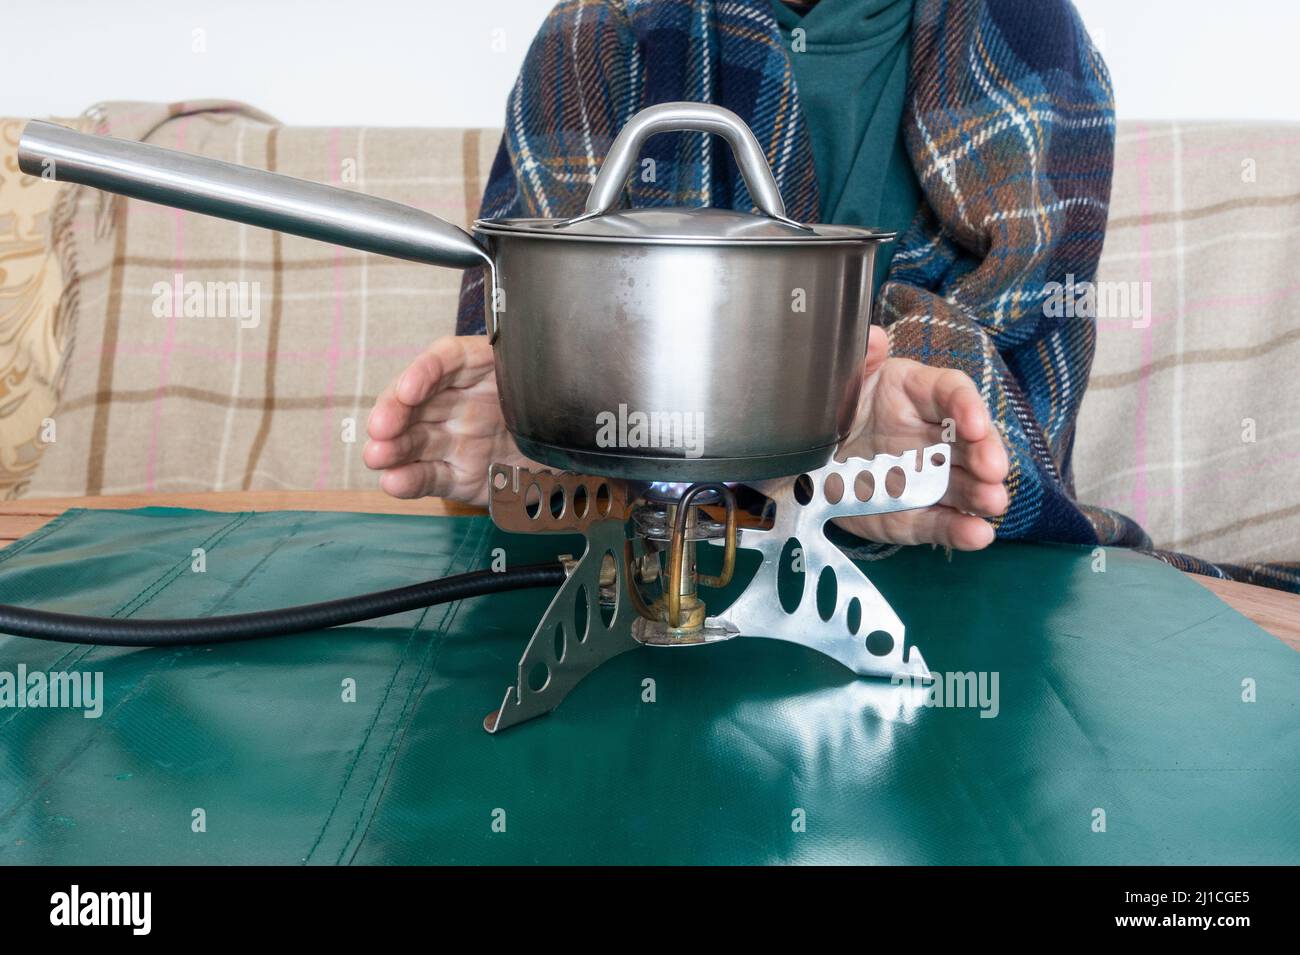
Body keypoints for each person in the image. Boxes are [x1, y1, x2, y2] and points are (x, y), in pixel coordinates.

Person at [363, 0, 1297, 590]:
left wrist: (880, 440)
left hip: (955, 610)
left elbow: (1023, 431)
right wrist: (526, 433)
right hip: (638, 595)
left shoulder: (1029, 42)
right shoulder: (593, 39)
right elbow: (520, 356)